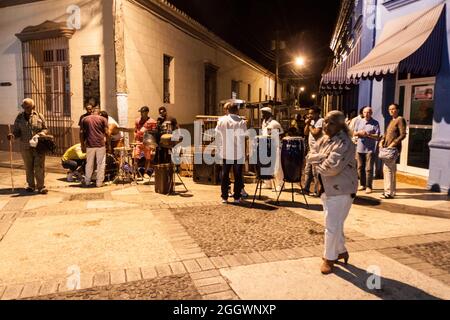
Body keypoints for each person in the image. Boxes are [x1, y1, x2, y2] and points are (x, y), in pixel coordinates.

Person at [306, 111, 358, 275]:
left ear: (341, 125)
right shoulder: (324, 139)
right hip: (325, 188)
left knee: (331, 225)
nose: (326, 126)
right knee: (336, 223)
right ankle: (341, 250)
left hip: (340, 190)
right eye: (325, 122)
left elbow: (331, 168)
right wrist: (322, 156)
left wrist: (318, 161)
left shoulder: (345, 143)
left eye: (331, 123)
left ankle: (329, 258)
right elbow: (309, 156)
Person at [7, 98, 49, 194]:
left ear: (33, 107)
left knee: (39, 166)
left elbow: (45, 129)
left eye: (28, 107)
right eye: (24, 107)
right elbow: (16, 132)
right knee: (28, 167)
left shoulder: (39, 116)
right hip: (25, 147)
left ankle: (41, 187)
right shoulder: (19, 117)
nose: (25, 109)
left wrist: (40, 134)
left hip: (39, 146)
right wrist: (12, 136)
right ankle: (31, 186)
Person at [215, 102, 247, 204]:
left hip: (226, 151)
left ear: (227, 110)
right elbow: (244, 137)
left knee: (225, 175)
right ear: (237, 110)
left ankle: (224, 197)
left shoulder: (221, 120)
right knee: (237, 176)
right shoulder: (242, 122)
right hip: (238, 152)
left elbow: (217, 135)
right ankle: (237, 197)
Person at [379, 104, 407, 199]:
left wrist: (393, 144)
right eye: (389, 109)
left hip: (393, 149)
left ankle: (388, 192)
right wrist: (382, 140)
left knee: (388, 170)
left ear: (398, 110)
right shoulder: (392, 120)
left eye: (393, 109)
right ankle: (391, 191)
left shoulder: (400, 119)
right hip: (387, 148)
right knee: (390, 169)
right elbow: (387, 133)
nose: (391, 111)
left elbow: (403, 134)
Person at [353, 107, 380, 194]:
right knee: (360, 168)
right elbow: (354, 133)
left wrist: (368, 135)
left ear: (371, 113)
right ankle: (362, 184)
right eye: (365, 112)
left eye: (368, 112)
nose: (366, 114)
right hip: (359, 148)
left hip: (370, 149)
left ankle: (369, 186)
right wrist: (359, 133)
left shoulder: (375, 123)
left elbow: (378, 136)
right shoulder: (359, 121)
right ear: (363, 113)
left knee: (368, 168)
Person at [81, 107, 109, 187]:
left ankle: (87, 181)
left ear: (92, 112)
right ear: (99, 113)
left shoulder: (85, 119)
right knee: (101, 164)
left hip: (89, 144)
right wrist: (109, 145)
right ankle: (99, 183)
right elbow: (107, 132)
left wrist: (82, 145)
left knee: (89, 163)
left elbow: (81, 133)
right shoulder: (103, 119)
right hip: (100, 144)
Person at [261, 106, 284, 191]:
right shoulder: (264, 122)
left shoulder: (275, 123)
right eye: (262, 113)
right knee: (267, 165)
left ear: (269, 114)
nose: (262, 115)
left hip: (275, 146)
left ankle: (280, 184)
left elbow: (281, 134)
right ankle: (268, 183)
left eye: (264, 113)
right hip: (266, 146)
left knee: (277, 166)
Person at [303, 107, 324, 196]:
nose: (309, 115)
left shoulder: (321, 121)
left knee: (316, 172)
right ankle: (306, 189)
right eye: (309, 113)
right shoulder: (311, 122)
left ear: (317, 113)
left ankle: (317, 191)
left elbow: (316, 134)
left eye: (311, 113)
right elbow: (305, 133)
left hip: (318, 151)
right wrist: (308, 124)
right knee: (307, 171)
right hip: (311, 150)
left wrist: (310, 125)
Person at [134, 106, 158, 174]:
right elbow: (135, 130)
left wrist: (152, 144)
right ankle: (136, 172)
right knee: (136, 156)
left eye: (143, 112)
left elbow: (154, 133)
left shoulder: (152, 121)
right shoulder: (137, 120)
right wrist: (135, 136)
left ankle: (145, 172)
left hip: (147, 141)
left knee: (148, 157)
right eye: (141, 112)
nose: (141, 114)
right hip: (138, 141)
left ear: (147, 112)